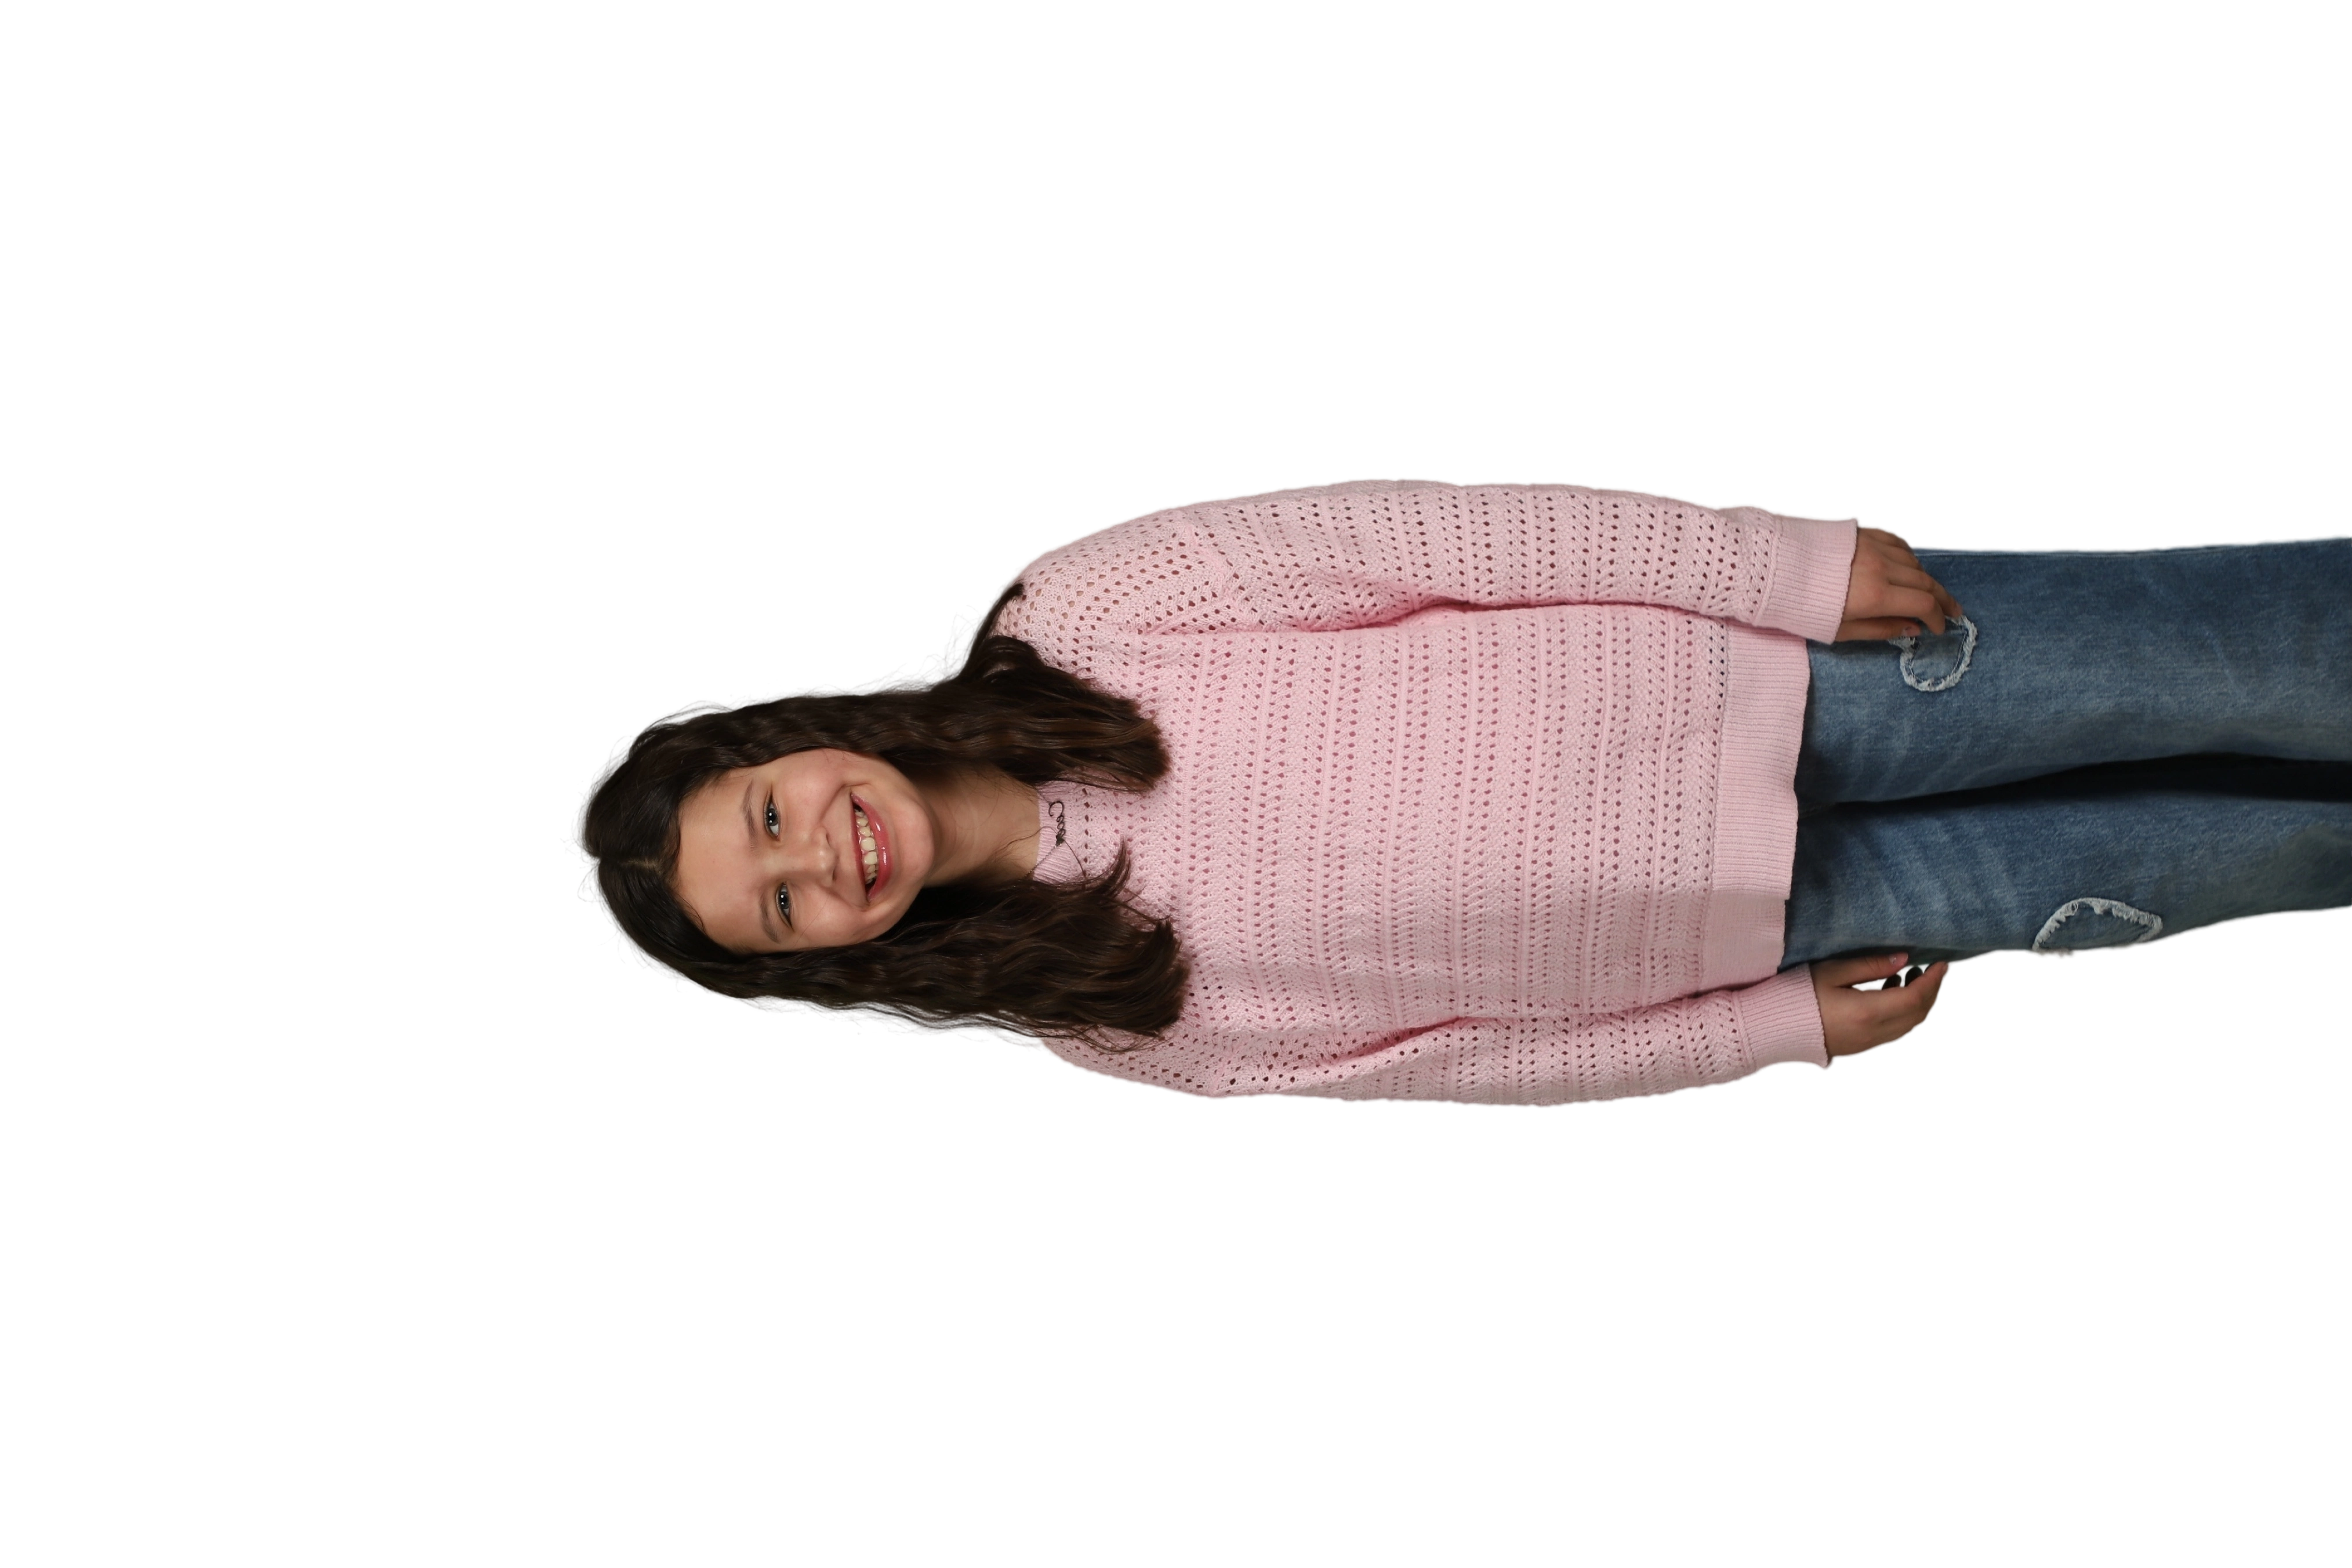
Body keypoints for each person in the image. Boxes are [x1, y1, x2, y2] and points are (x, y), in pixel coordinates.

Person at [560, 477, 2352, 1107]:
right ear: (821, 963)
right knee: (2250, 853)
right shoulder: (1102, 1018)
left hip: (1799, 686)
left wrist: (1785, 570)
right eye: (780, 910)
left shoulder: (1085, 612)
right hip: (1800, 923)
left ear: (783, 731)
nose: (821, 861)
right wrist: (1773, 1030)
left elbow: (1448, 539)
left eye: (768, 816)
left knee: (2240, 667)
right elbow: (1469, 1063)